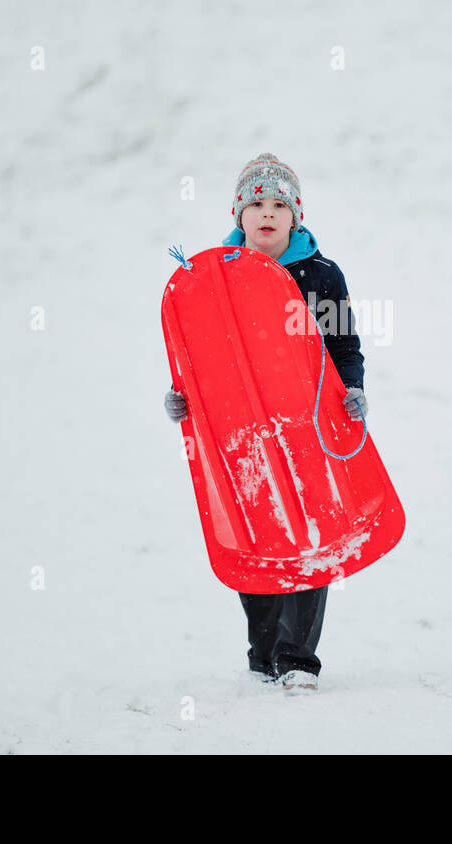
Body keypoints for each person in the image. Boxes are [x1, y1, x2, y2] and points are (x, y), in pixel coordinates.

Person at [164, 153, 366, 694]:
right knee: (256, 534)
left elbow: (344, 345)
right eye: (256, 203)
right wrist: (183, 400)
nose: (267, 213)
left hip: (308, 425)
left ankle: (298, 658)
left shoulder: (320, 275)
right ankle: (263, 650)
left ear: (295, 216)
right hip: (242, 432)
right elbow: (196, 357)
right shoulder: (211, 278)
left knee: (309, 535)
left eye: (279, 204)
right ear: (239, 213)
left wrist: (354, 393)